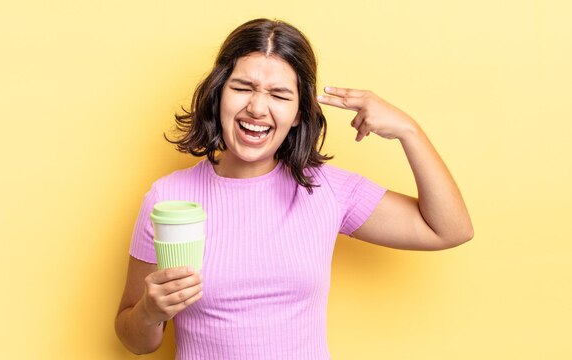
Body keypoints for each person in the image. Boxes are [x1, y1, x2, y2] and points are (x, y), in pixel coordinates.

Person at [114, 18, 473, 359]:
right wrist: (148, 311)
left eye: (279, 95)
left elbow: (449, 229)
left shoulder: (327, 189)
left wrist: (409, 131)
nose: (257, 107)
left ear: (300, 112)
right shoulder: (169, 199)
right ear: (218, 93)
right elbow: (134, 340)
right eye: (242, 88)